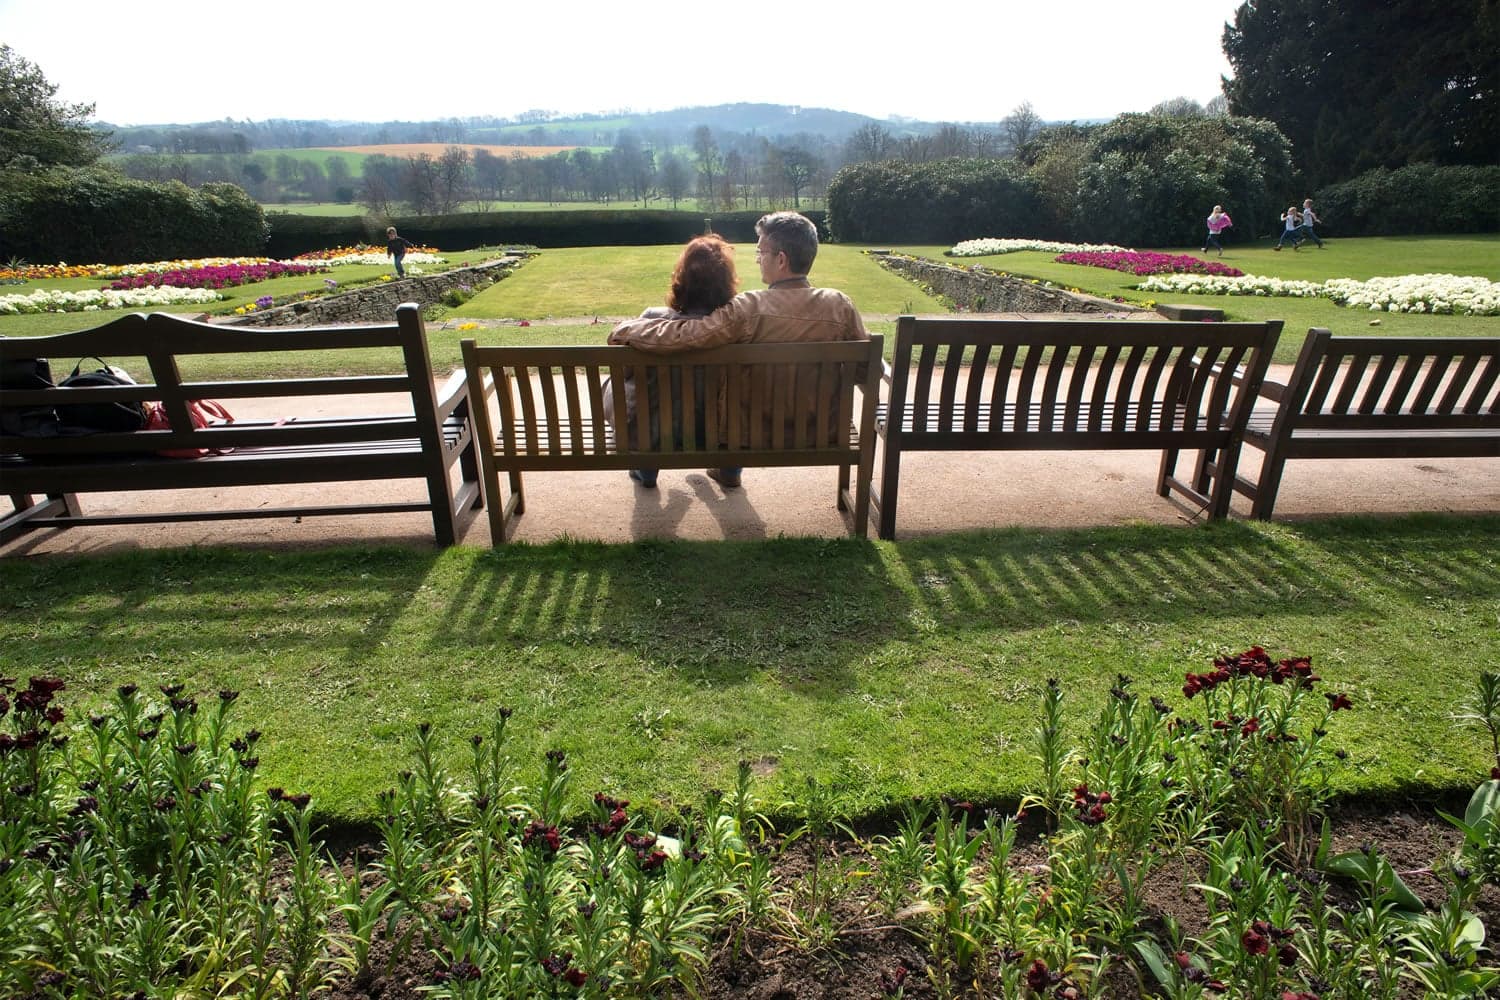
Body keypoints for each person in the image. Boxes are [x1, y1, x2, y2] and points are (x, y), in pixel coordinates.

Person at [609, 211, 868, 490]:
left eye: (761, 252)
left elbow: (684, 335)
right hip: (823, 432)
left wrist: (626, 329)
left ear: (781, 259)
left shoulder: (749, 309)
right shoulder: (840, 305)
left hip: (756, 435)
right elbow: (865, 372)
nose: (757, 259)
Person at [608, 234, 739, 489]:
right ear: (726, 282)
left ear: (681, 279)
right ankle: (730, 469)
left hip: (655, 433)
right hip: (718, 434)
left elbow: (625, 375)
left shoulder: (650, 320)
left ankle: (646, 467)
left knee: (629, 388)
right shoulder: (734, 329)